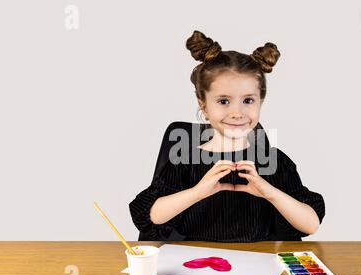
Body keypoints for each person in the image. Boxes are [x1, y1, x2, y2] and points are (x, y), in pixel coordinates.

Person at [129, 30, 325, 242]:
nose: (237, 113)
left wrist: (269, 192)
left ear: (261, 101)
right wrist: (197, 192)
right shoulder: (185, 161)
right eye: (223, 101)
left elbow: (311, 224)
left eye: (248, 100)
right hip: (198, 264)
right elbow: (150, 216)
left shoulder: (274, 161)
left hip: (258, 265)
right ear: (203, 105)